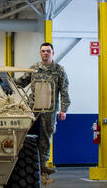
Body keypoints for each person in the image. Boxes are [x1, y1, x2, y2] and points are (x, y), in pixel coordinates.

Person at [14, 42, 71, 178]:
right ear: (40, 53)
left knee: (46, 135)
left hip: (49, 109)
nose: (45, 53)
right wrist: (4, 82)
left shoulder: (59, 70)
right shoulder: (34, 69)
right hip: (32, 108)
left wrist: (64, 109)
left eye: (48, 51)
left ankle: (42, 165)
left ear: (53, 53)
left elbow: (64, 90)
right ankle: (22, 162)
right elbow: (20, 82)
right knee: (25, 134)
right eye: (43, 51)